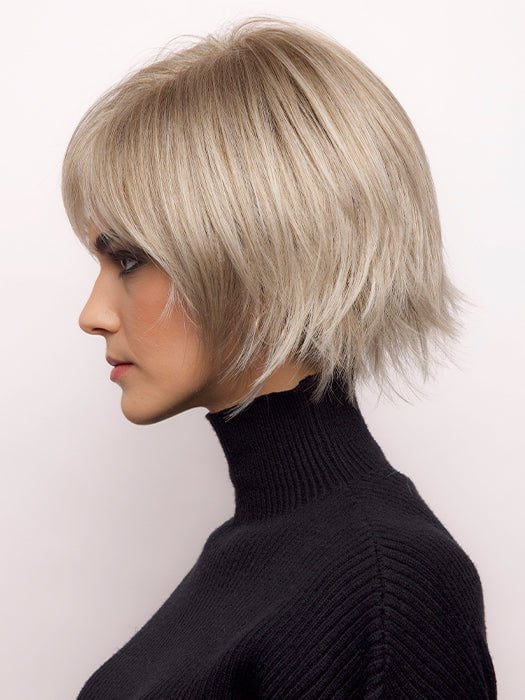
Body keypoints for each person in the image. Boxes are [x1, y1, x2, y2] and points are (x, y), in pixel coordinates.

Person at [62, 15, 497, 699]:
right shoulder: (256, 546)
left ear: (261, 254)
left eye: (129, 259)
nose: (93, 314)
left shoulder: (386, 583)